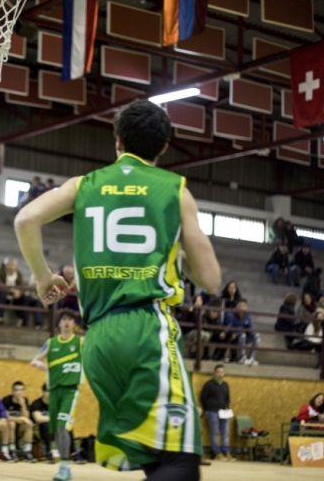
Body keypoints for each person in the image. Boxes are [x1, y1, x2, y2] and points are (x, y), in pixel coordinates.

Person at [15, 100, 220, 479]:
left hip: (98, 339)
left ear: (117, 141)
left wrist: (43, 276)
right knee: (180, 459)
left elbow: (26, 217)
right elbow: (210, 279)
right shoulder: (175, 190)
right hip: (144, 330)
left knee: (154, 458)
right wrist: (180, 254)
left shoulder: (83, 185)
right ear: (163, 147)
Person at [31, 310, 84, 480]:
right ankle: (64, 466)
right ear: (59, 323)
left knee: (62, 426)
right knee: (57, 430)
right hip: (54, 390)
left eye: (70, 319)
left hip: (71, 389)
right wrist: (40, 364)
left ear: (74, 323)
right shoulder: (51, 342)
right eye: (64, 319)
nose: (67, 322)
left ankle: (64, 467)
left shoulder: (80, 342)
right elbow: (35, 359)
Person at [199, 365, 233, 462]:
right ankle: (217, 452)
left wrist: (226, 407)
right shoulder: (209, 384)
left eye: (222, 372)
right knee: (214, 432)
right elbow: (203, 397)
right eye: (218, 372)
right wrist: (208, 407)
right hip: (212, 412)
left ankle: (226, 451)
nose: (220, 374)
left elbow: (227, 398)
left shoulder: (225, 385)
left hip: (223, 412)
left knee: (225, 432)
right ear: (214, 373)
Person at [1, 382, 36, 462]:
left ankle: (27, 451)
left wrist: (23, 405)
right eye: (16, 390)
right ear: (13, 392)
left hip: (19, 429)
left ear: (24, 392)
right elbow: (6, 417)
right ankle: (12, 450)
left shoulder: (25, 400)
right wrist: (21, 419)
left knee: (28, 424)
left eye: (21, 390)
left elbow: (26, 417)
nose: (18, 392)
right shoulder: (7, 400)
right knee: (11, 423)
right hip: (7, 429)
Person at [224, 299, 259, 365]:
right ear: (237, 306)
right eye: (240, 306)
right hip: (234, 337)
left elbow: (250, 329)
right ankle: (242, 357)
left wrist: (249, 330)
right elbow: (229, 328)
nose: (241, 308)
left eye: (243, 306)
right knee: (242, 334)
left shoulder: (248, 316)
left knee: (256, 335)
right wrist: (240, 329)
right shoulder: (231, 315)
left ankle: (251, 357)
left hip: (244, 337)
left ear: (246, 307)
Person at [30, 384, 56, 462]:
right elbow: (38, 419)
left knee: (67, 426)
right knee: (46, 425)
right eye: (49, 391)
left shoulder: (56, 404)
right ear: (44, 392)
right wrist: (53, 419)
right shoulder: (37, 403)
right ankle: (48, 453)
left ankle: (74, 454)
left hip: (54, 430)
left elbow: (60, 418)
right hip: (39, 431)